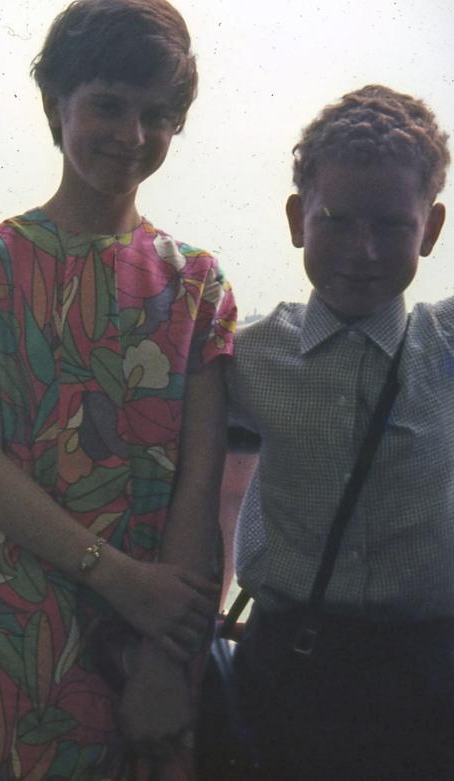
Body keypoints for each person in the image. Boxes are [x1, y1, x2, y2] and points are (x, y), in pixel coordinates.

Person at [0, 0, 237, 777]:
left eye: (156, 115)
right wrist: (120, 579)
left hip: (155, 634)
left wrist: (166, 653)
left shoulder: (198, 282)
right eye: (107, 105)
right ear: (54, 104)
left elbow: (201, 480)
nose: (131, 134)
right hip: (14, 631)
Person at [227, 85, 452, 780]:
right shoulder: (248, 357)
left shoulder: (447, 347)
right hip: (287, 671)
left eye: (393, 225)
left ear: (432, 230)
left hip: (430, 677)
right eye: (336, 219)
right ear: (298, 219)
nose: (364, 248)